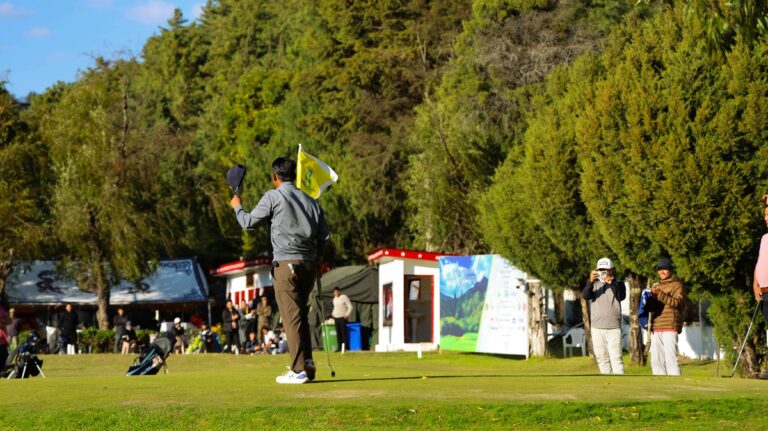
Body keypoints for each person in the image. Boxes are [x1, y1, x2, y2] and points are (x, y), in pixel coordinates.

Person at [231, 157, 329, 384]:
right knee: (301, 315)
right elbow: (324, 235)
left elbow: (248, 222)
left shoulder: (273, 196)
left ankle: (298, 371)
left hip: (286, 264)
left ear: (275, 177)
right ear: (294, 175)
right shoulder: (311, 200)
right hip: (308, 265)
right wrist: (319, 258)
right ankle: (308, 363)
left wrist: (237, 206)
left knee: (291, 318)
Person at [582, 257, 626, 375]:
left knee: (616, 358)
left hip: (614, 327)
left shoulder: (619, 283)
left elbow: (621, 296)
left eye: (605, 270)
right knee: (602, 358)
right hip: (597, 327)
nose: (602, 272)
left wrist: (612, 283)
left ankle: (620, 384)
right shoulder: (593, 284)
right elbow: (586, 295)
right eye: (600, 269)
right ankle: (608, 382)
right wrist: (590, 281)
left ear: (611, 270)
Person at [647, 257, 686, 376]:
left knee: (671, 359)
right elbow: (650, 308)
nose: (661, 271)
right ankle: (659, 384)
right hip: (656, 326)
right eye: (659, 269)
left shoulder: (677, 285)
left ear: (670, 270)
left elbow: (677, 303)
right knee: (656, 360)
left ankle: (676, 385)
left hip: (670, 326)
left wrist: (660, 294)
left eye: (665, 268)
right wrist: (651, 297)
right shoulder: (656, 286)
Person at [753, 195, 768, 323]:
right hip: (764, 293)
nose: (765, 218)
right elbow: (759, 264)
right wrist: (755, 285)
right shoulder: (764, 238)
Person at [331, 287, 353, 351]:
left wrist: (347, 314)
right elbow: (335, 307)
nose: (336, 293)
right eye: (334, 292)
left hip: (342, 317)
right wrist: (333, 313)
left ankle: (345, 347)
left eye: (337, 292)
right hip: (336, 317)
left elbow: (350, 307)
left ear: (339, 291)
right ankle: (339, 347)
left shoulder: (344, 297)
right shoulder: (334, 299)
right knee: (338, 333)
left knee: (343, 332)